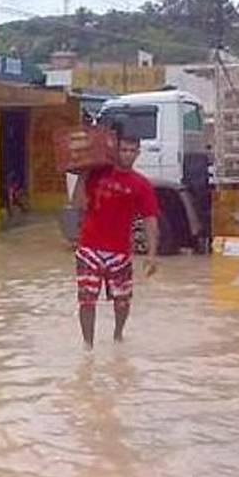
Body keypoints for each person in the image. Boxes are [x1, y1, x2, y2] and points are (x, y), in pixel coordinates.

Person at [72, 133, 159, 349]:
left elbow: (150, 220)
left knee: (122, 300)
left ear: (138, 153)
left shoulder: (141, 184)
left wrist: (151, 255)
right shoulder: (97, 173)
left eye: (132, 151)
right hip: (89, 247)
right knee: (86, 299)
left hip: (120, 251)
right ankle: (88, 345)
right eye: (124, 150)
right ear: (115, 150)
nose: (128, 155)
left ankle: (118, 336)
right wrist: (83, 176)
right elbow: (77, 203)